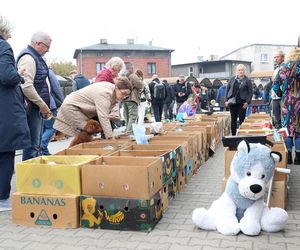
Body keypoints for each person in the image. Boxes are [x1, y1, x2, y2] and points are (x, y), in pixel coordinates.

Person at [0, 15, 30, 209]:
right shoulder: (3, 46)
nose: (9, 37)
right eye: (8, 32)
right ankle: (2, 198)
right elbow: (6, 75)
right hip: (4, 109)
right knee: (6, 152)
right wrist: (18, 74)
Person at [53, 77, 132, 140]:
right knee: (86, 132)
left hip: (80, 108)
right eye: (123, 93)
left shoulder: (113, 90)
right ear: (117, 88)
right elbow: (103, 116)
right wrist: (111, 138)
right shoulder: (105, 93)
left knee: (88, 132)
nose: (124, 97)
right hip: (72, 107)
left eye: (126, 96)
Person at [17, 31, 52, 161]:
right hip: (32, 107)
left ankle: (33, 175)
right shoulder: (29, 58)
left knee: (35, 144)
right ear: (38, 44)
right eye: (47, 46)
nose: (48, 50)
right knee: (32, 145)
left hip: (35, 107)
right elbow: (26, 85)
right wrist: (42, 104)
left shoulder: (35, 57)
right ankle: (30, 177)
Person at [273, 45, 300, 164]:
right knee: (299, 129)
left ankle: (288, 155)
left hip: (286, 102)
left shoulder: (283, 68)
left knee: (287, 129)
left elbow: (275, 84)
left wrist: (280, 92)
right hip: (299, 102)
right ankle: (298, 157)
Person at [41, 69, 64, 155]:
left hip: (36, 105)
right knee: (52, 127)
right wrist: (63, 101)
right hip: (48, 104)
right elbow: (56, 87)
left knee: (42, 129)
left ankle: (42, 151)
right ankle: (43, 147)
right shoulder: (47, 71)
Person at [225, 64, 253, 135]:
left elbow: (250, 92)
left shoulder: (247, 80)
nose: (241, 71)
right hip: (232, 102)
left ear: (244, 71)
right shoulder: (232, 79)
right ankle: (233, 135)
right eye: (239, 70)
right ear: (237, 71)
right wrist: (226, 100)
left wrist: (247, 102)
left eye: (242, 70)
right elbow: (227, 89)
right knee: (233, 119)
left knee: (242, 119)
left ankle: (241, 134)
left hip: (242, 103)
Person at [122, 63, 143, 134]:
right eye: (133, 68)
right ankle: (130, 131)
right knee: (133, 115)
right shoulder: (132, 76)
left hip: (124, 98)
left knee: (127, 115)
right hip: (132, 97)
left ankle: (127, 129)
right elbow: (140, 85)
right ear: (130, 68)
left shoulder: (122, 75)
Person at [271, 50, 285, 129]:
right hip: (275, 97)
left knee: (282, 119)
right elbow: (273, 83)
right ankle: (279, 138)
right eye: (275, 57)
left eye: (277, 57)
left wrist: (280, 94)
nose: (276, 59)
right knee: (277, 119)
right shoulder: (276, 69)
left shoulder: (284, 67)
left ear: (282, 57)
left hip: (281, 97)